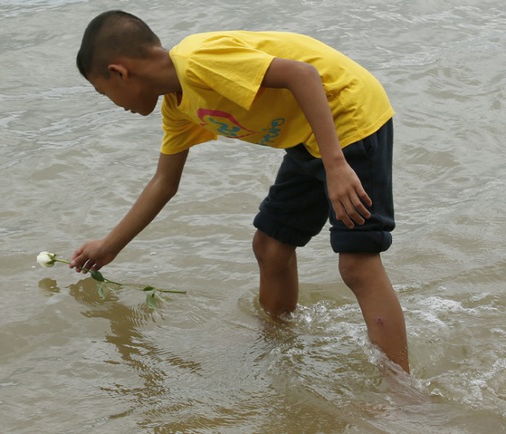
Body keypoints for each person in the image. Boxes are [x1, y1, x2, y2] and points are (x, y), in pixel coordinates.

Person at [69, 10, 409, 372]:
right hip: (307, 137)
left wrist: (336, 165)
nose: (115, 105)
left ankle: (401, 395)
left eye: (104, 93)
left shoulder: (199, 60)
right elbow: (164, 183)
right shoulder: (178, 105)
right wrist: (109, 247)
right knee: (270, 245)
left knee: (357, 263)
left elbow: (302, 74)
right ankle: (277, 345)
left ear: (119, 72)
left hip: (348, 116)